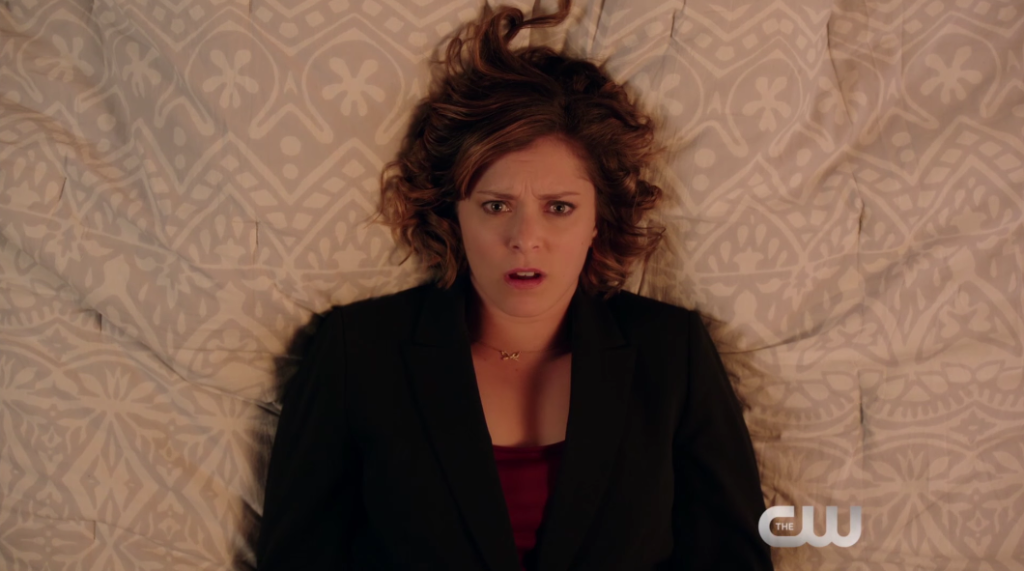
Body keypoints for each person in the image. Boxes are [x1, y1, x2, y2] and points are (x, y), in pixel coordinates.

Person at [255, 1, 773, 569]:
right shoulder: (357, 352)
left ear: (597, 220)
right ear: (454, 215)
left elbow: (733, 558)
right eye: (496, 205)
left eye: (559, 207)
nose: (526, 238)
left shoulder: (672, 354)